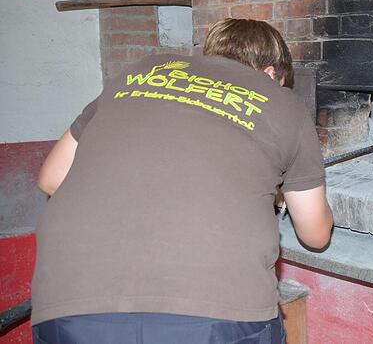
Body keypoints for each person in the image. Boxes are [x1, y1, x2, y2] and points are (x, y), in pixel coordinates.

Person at [31, 18, 333, 343]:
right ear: (271, 73)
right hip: (215, 316)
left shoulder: (142, 70)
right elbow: (315, 235)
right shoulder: (281, 101)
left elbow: (51, 178)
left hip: (68, 305)